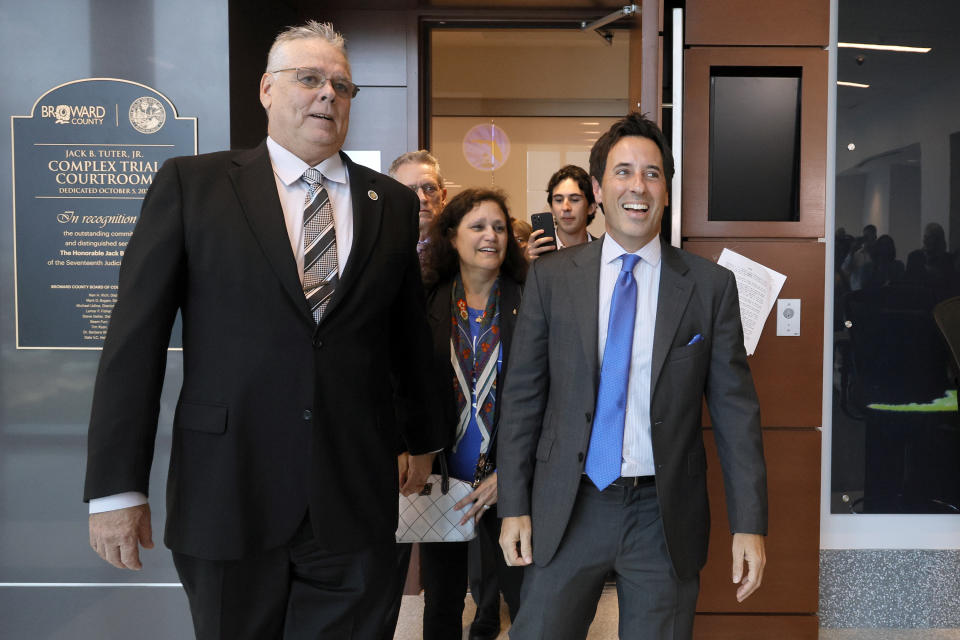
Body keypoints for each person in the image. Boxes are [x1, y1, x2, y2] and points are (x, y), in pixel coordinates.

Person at [84, 21, 444, 639]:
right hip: (229, 493)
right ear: (266, 90)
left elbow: (406, 335)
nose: (328, 95)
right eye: (309, 79)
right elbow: (133, 343)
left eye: (342, 86)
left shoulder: (392, 202)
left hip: (354, 497)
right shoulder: (192, 187)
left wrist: (425, 438)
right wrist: (117, 489)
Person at [497, 112, 768, 639]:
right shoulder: (552, 280)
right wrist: (513, 504)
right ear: (598, 188)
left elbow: (737, 413)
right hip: (569, 503)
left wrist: (750, 523)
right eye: (623, 172)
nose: (637, 187)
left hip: (661, 514)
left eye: (652, 173)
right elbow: (523, 399)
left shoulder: (709, 287)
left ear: (667, 188)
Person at [417, 188, 527, 640]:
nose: (491, 236)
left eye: (499, 228)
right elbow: (404, 385)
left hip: (509, 478)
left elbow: (549, 396)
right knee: (442, 602)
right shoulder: (426, 301)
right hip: (443, 474)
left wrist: (511, 472)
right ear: (452, 236)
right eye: (478, 226)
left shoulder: (531, 298)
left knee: (526, 598)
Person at [525, 164, 597, 261]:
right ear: (551, 208)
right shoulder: (538, 253)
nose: (565, 207)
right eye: (558, 200)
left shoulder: (603, 252)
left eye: (575, 200)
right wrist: (526, 267)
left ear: (591, 207)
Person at [388, 149, 447, 257]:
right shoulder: (378, 250)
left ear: (443, 197)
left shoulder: (461, 248)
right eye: (410, 191)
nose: (422, 198)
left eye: (430, 188)